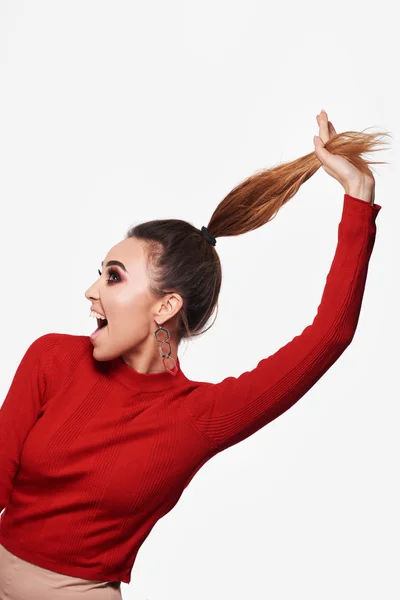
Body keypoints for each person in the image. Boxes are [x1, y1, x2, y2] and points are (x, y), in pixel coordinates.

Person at [0, 111, 390, 597]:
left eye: (114, 276)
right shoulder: (52, 359)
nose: (90, 291)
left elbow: (328, 337)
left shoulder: (196, 417)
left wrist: (358, 198)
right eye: (100, 272)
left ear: (165, 306)